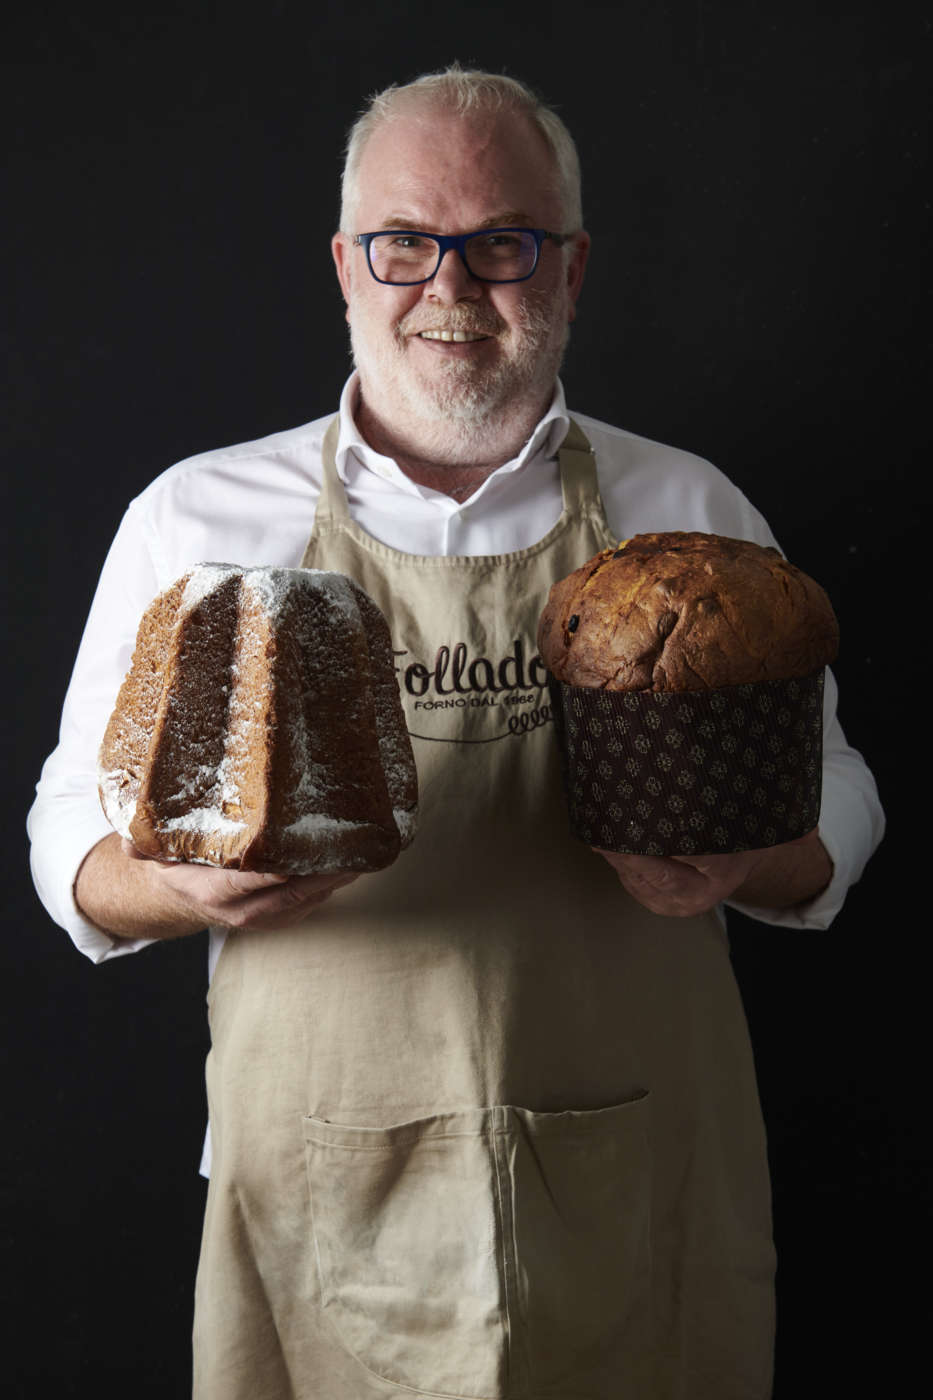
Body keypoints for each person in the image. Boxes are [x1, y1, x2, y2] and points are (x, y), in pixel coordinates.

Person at [28, 65, 884, 1400]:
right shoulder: (201, 517)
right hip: (319, 1169)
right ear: (344, 264)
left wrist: (746, 866)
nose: (449, 287)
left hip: (636, 1162)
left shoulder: (689, 509)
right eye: (403, 243)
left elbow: (833, 792)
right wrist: (164, 886)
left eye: (502, 242)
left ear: (571, 266)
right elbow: (69, 824)